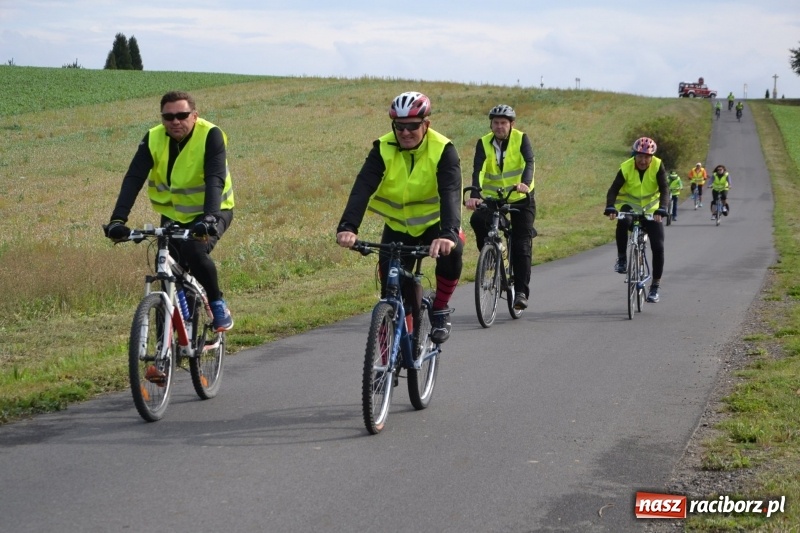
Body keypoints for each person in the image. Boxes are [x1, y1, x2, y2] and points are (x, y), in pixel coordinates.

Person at [336, 92, 464, 344]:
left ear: (426, 125)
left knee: (455, 249)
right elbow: (362, 187)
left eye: (413, 126)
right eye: (399, 126)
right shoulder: (382, 148)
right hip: (398, 227)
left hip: (435, 225)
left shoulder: (443, 149)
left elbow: (450, 192)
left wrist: (448, 234)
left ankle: (440, 308)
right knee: (391, 294)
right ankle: (389, 357)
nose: (405, 132)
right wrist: (348, 227)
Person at [104, 90, 235, 332]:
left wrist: (209, 218)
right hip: (174, 215)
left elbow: (215, 179)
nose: (175, 121)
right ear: (162, 118)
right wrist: (117, 220)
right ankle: (164, 349)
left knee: (194, 251)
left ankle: (217, 303)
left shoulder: (211, 135)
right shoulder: (153, 138)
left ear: (194, 115)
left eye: (182, 115)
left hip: (213, 211)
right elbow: (134, 178)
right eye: (168, 117)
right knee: (165, 266)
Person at [465, 104, 536, 310]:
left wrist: (525, 183)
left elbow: (529, 162)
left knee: (522, 245)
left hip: (520, 197)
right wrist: (475, 194)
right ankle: (492, 256)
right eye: (495, 123)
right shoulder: (483, 143)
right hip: (494, 198)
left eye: (503, 123)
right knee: (477, 219)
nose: (499, 126)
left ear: (511, 124)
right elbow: (478, 169)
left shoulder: (521, 139)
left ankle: (520, 293)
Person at [604, 137, 669, 303]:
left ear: (652, 157)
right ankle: (622, 259)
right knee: (623, 221)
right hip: (630, 206)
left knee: (658, 246)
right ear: (635, 155)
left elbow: (664, 189)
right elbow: (613, 189)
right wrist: (610, 206)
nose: (643, 160)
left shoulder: (658, 165)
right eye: (640, 156)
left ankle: (655, 287)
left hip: (651, 209)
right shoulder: (626, 167)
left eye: (647, 157)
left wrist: (662, 208)